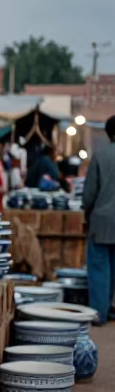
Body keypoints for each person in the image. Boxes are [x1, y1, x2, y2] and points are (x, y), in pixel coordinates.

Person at [82, 115, 115, 323]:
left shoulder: (100, 156)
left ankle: (99, 313)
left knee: (99, 268)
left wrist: (87, 214)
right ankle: (110, 307)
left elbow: (89, 193)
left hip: (101, 221)